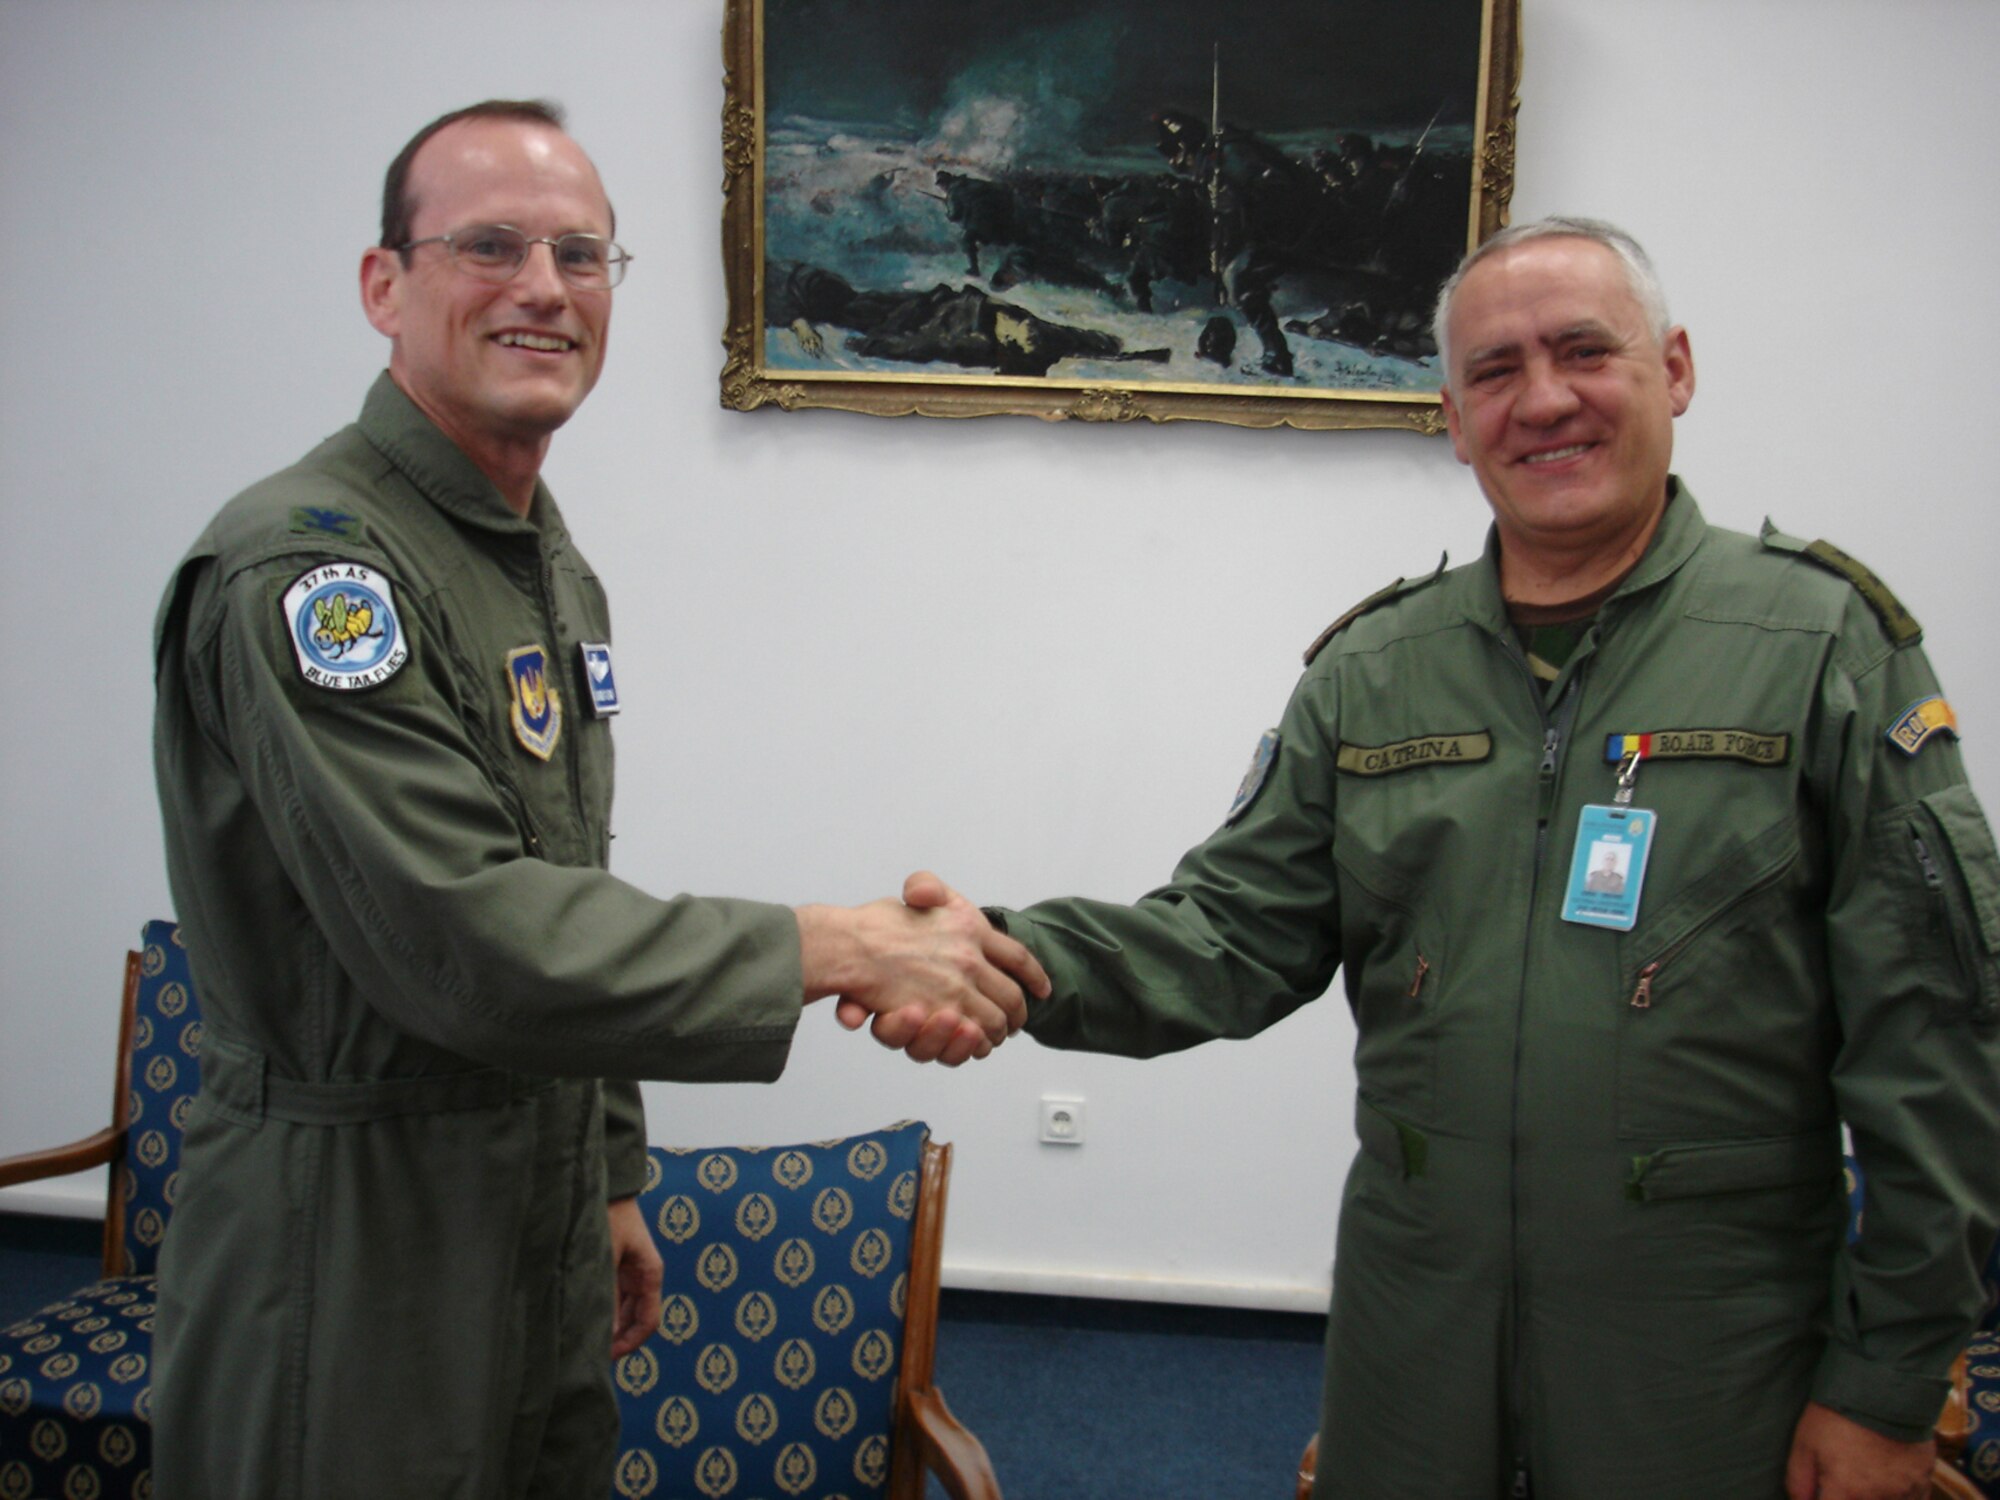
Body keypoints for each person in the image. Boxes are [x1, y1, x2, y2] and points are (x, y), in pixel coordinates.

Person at [877, 218, 2000, 1498]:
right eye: (1493, 372)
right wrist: (997, 956)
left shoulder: (1819, 645)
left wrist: (1886, 1384)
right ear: (1452, 419)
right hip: (1414, 1335)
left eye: (1584, 351)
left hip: (1707, 1348)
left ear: (1673, 369)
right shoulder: (1373, 671)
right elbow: (1226, 936)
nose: (1543, 401)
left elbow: (1937, 1040)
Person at [149, 99, 1046, 1500]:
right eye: (490, 246)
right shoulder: (315, 572)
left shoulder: (536, 561)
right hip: (355, 1239)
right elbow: (469, 937)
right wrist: (843, 946)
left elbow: (568, 879)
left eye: (583, 254)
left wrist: (611, 1169)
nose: (543, 289)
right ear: (385, 286)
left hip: (535, 1204)